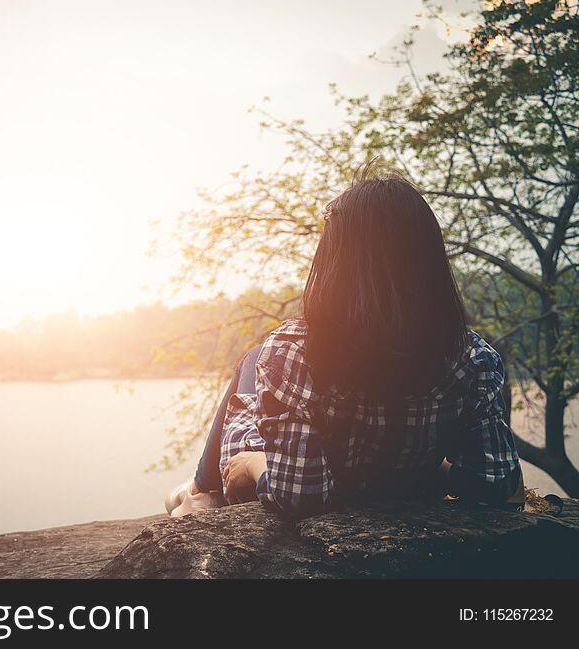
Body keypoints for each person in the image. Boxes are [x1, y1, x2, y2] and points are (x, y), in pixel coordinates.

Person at [166, 163, 523, 518]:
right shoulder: (475, 360)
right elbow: (495, 483)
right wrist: (428, 473)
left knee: (254, 357)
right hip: (397, 473)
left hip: (271, 455)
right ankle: (196, 487)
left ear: (334, 264)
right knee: (258, 355)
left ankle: (198, 491)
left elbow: (300, 494)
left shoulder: (291, 355)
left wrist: (254, 465)